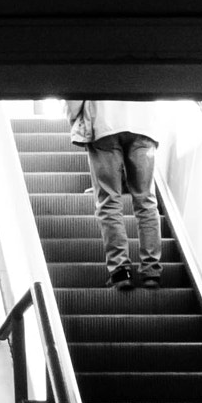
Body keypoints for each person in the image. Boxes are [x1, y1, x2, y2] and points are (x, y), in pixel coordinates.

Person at [64, 99, 162, 288]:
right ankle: (151, 272)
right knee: (146, 201)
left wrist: (75, 117)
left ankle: (120, 271)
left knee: (109, 201)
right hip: (143, 124)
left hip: (104, 123)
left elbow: (74, 89)